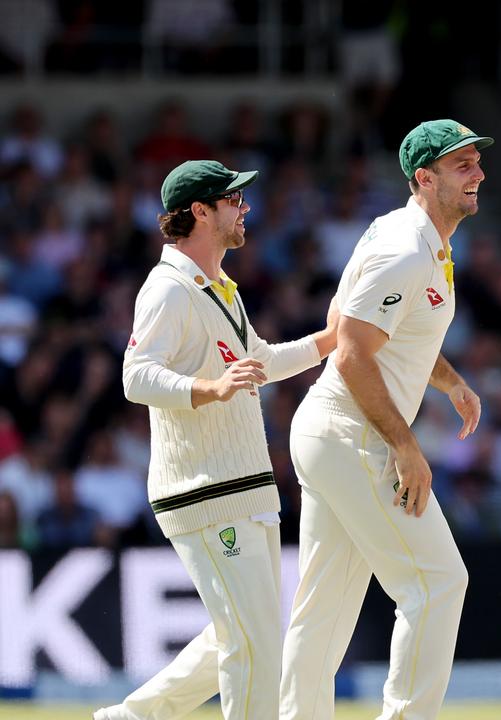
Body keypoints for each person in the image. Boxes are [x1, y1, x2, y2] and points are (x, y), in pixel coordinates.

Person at [102, 160, 338, 720]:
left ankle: (131, 717)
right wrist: (209, 387)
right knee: (252, 642)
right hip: (203, 488)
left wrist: (330, 340)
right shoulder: (168, 289)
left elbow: (258, 361)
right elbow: (136, 376)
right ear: (200, 211)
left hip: (245, 488)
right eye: (233, 200)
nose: (245, 209)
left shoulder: (221, 289)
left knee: (241, 632)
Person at [280, 120, 488, 720]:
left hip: (330, 431)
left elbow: (362, 326)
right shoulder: (404, 248)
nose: (478, 174)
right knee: (439, 584)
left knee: (322, 613)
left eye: (477, 161)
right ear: (425, 178)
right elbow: (348, 348)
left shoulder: (415, 238)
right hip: (352, 433)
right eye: (462, 166)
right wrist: (405, 443)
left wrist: (449, 381)